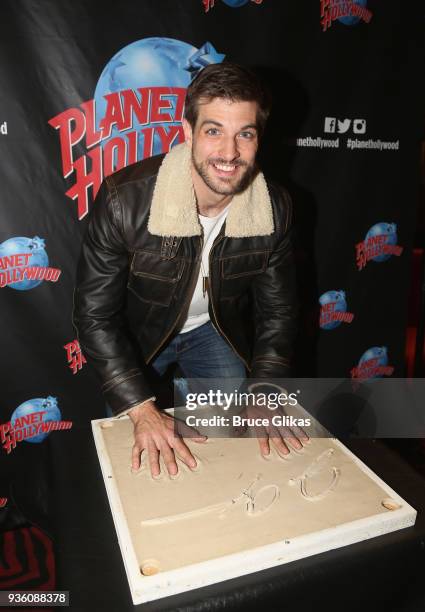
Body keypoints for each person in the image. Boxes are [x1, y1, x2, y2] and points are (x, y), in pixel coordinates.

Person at [73, 62, 304, 478]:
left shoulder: (275, 208)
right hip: (135, 336)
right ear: (187, 131)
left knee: (237, 443)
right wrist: (141, 408)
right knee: (136, 453)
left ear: (259, 138)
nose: (229, 153)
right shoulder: (124, 202)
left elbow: (278, 312)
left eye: (244, 134)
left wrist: (266, 388)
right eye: (214, 130)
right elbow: (96, 316)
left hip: (211, 330)